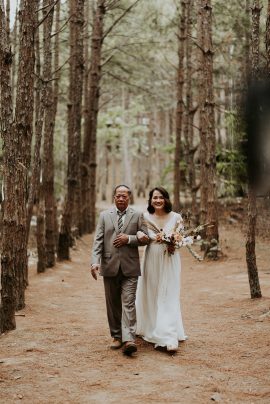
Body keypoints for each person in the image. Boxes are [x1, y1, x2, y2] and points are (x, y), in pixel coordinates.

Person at [91, 185, 149, 355]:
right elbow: (98, 241)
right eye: (118, 196)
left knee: (128, 302)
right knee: (113, 304)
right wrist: (95, 262)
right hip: (109, 266)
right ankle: (117, 336)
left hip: (130, 267)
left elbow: (145, 239)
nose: (121, 198)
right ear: (114, 197)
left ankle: (129, 339)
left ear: (129, 198)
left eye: (124, 196)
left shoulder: (138, 215)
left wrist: (129, 239)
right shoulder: (104, 216)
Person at [136, 186, 186, 352]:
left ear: (166, 199)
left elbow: (181, 239)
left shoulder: (176, 217)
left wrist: (174, 243)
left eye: (161, 197)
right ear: (150, 200)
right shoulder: (144, 217)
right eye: (154, 197)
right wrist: (139, 236)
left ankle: (168, 336)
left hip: (170, 260)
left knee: (169, 294)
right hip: (151, 258)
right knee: (152, 292)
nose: (157, 200)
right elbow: (140, 237)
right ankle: (152, 327)